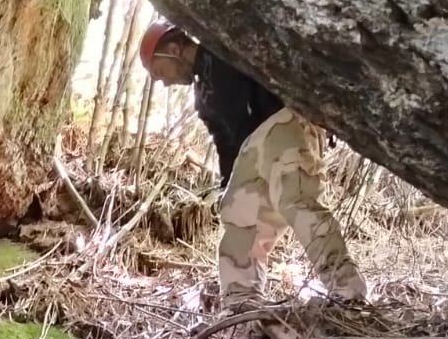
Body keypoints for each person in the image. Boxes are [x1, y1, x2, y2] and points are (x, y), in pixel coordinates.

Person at [139, 20, 367, 306]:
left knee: (297, 201)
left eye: (160, 72)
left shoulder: (221, 44)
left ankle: (347, 291)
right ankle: (241, 302)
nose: (165, 82)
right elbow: (223, 142)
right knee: (238, 215)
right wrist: (228, 183)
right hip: (250, 149)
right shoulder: (202, 97)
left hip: (282, 122)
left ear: (174, 49)